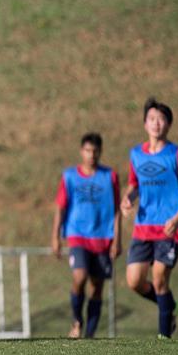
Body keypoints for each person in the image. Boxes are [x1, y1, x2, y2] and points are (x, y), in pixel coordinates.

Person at [122, 97, 178, 338]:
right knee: (134, 281)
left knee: (158, 280)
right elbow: (134, 183)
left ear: (168, 125)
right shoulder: (136, 154)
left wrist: (177, 219)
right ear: (145, 124)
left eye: (161, 119)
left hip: (168, 228)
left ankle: (163, 338)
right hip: (143, 227)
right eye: (152, 119)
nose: (156, 124)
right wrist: (128, 198)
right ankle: (169, 307)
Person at [51, 132, 122, 338]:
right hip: (77, 235)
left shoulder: (110, 176)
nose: (92, 155)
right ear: (81, 151)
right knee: (79, 276)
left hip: (102, 237)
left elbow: (117, 209)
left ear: (100, 152)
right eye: (88, 150)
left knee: (97, 287)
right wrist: (55, 236)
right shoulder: (69, 177)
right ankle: (76, 320)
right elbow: (60, 207)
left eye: (95, 151)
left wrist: (117, 239)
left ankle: (89, 336)